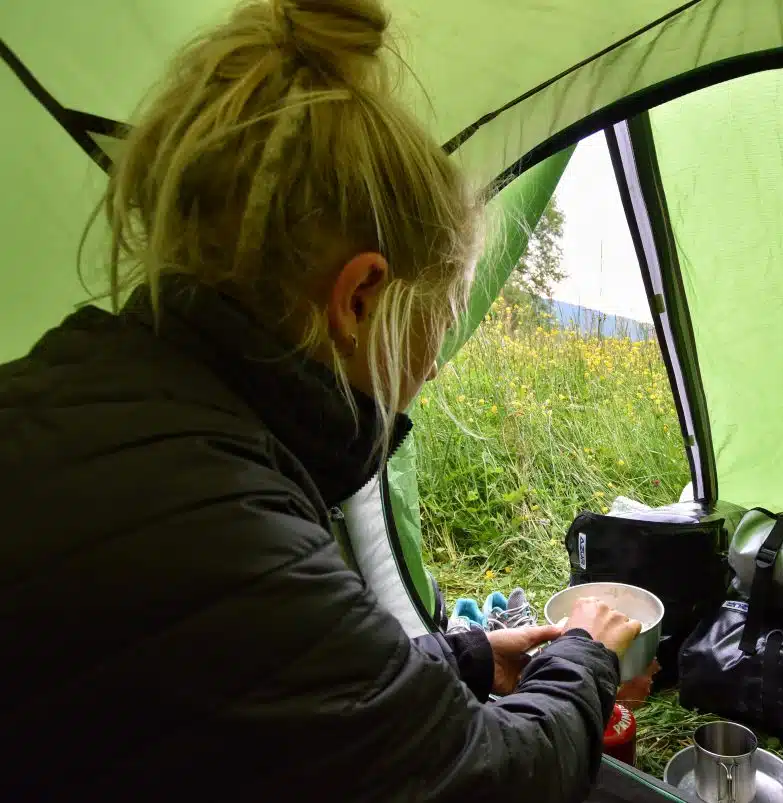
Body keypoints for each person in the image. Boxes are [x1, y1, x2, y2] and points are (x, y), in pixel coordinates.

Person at [0, 0, 643, 800]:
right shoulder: (230, 529)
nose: (431, 371)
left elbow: (263, 673)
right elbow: (491, 781)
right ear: (360, 296)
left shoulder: (94, 402)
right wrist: (586, 656)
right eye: (438, 325)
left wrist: (469, 659)